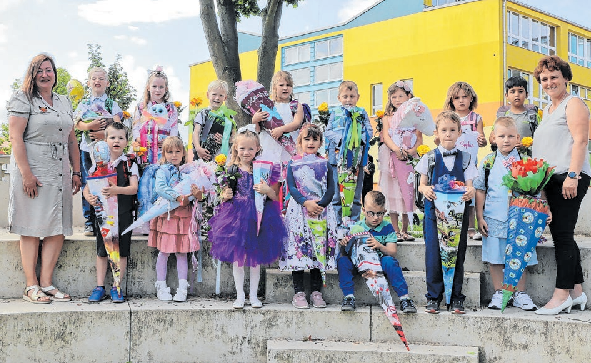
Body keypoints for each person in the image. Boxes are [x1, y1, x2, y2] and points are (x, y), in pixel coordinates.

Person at [7, 53, 81, 303]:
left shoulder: (63, 102)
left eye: (49, 70)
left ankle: (47, 283)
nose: (45, 74)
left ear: (55, 74)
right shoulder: (23, 98)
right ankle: (31, 286)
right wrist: (26, 174)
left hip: (59, 170)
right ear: (32, 73)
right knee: (31, 226)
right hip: (34, 169)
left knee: (57, 226)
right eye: (40, 70)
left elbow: (72, 139)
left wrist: (77, 171)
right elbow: (16, 137)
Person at [532, 55, 591, 315]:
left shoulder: (574, 103)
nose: (549, 82)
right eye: (544, 79)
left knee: (563, 236)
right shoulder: (548, 110)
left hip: (569, 177)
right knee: (561, 233)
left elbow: (580, 141)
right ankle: (577, 293)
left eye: (554, 76)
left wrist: (572, 176)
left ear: (565, 78)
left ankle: (561, 295)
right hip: (552, 180)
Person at [208, 130, 287, 309]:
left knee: (255, 259)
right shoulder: (230, 170)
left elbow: (275, 197)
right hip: (236, 217)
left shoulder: (264, 170)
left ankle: (253, 295)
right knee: (239, 258)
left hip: (259, 216)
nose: (246, 152)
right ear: (236, 148)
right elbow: (222, 194)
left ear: (257, 149)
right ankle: (240, 295)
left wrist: (267, 190)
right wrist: (224, 194)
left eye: (251, 148)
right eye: (242, 148)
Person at [475, 117, 541, 311]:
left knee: (520, 256)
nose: (506, 140)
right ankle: (500, 292)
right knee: (495, 257)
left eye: (511, 136)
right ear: (493, 138)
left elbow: (536, 190)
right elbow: (480, 189)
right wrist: (480, 217)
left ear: (518, 138)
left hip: (521, 218)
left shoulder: (526, 161)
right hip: (494, 217)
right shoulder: (488, 162)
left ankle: (520, 294)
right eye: (501, 136)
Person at [417, 111, 477, 314]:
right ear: (436, 133)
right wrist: (425, 189)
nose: (448, 134)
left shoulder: (467, 158)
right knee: (434, 254)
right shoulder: (430, 158)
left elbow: (471, 186)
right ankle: (433, 297)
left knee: (457, 254)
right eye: (444, 130)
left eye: (453, 130)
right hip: (435, 214)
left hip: (458, 216)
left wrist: (470, 192)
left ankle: (456, 297)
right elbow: (421, 185)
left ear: (459, 132)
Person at [280, 124, 337, 309]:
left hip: (320, 213)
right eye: (307, 139)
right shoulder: (293, 163)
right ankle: (298, 293)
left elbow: (330, 188)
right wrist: (306, 202)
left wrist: (320, 205)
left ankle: (316, 291)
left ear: (320, 142)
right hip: (299, 213)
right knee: (299, 250)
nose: (311, 142)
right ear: (300, 141)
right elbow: (292, 187)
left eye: (315, 139)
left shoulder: (325, 163)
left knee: (317, 250)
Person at [83, 122, 138, 303]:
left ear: (126, 141)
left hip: (123, 215)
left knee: (121, 252)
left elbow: (133, 188)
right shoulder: (98, 164)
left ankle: (117, 286)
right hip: (103, 217)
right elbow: (87, 187)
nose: (116, 141)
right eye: (112, 137)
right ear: (105, 140)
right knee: (102, 251)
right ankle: (100, 286)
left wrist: (116, 191)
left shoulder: (129, 163)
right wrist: (89, 197)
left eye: (121, 138)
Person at [337, 191, 417, 313]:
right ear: (364, 210)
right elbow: (349, 249)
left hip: (378, 263)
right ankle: (348, 297)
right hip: (360, 264)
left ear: (385, 212)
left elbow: (392, 251)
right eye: (371, 213)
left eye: (379, 213)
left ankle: (404, 298)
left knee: (390, 261)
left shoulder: (387, 228)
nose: (375, 217)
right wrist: (345, 243)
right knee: (342, 260)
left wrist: (380, 246)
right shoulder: (357, 227)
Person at [149, 136, 203, 302]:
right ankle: (161, 284)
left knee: (182, 252)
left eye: (177, 151)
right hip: (168, 215)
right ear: (164, 154)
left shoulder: (189, 171)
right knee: (164, 251)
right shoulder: (162, 171)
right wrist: (178, 196)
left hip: (184, 216)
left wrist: (195, 195)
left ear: (183, 153)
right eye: (169, 152)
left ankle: (182, 285)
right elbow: (161, 188)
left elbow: (197, 192)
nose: (174, 155)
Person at [74, 67, 123, 236]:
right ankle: (89, 221)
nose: (97, 81)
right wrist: (89, 126)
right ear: (89, 82)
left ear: (107, 83)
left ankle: (105, 219)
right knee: (87, 182)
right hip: (87, 150)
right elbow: (77, 124)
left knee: (105, 183)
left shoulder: (112, 104)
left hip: (106, 151)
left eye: (101, 78)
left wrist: (104, 134)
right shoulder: (84, 103)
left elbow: (118, 124)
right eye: (94, 78)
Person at [441, 82, 487, 241]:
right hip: (450, 164)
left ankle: (471, 228)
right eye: (457, 97)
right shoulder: (447, 117)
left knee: (470, 194)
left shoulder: (476, 118)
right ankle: (452, 227)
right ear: (451, 100)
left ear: (471, 98)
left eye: (465, 97)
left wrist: (482, 140)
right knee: (452, 194)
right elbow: (438, 138)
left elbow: (481, 139)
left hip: (469, 165)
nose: (461, 100)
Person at [325, 81, 373, 226]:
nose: (348, 99)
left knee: (356, 194)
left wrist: (358, 141)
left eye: (352, 96)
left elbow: (369, 131)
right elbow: (327, 132)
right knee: (336, 196)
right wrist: (342, 140)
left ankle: (354, 224)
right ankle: (336, 224)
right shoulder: (334, 113)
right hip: (336, 160)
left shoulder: (362, 112)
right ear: (339, 97)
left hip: (355, 161)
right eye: (345, 96)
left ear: (357, 97)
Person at [379, 80, 422, 241]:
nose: (397, 99)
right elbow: (387, 137)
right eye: (393, 96)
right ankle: (395, 230)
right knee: (393, 193)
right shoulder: (387, 118)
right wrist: (396, 150)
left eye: (400, 96)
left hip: (409, 159)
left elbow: (419, 138)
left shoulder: (414, 117)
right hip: (392, 157)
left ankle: (405, 229)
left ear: (409, 97)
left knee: (407, 194)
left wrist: (412, 151)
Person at [132, 66, 179, 165]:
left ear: (166, 89)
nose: (158, 90)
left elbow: (174, 128)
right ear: (148, 88)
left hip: (163, 147)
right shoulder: (141, 107)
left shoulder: (171, 108)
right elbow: (135, 127)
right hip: (145, 146)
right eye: (154, 86)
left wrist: (169, 141)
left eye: (161, 87)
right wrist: (140, 139)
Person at [489, 76, 540, 150]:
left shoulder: (533, 115)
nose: (516, 95)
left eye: (520, 91)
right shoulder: (502, 116)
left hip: (527, 159)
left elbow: (542, 138)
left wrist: (525, 144)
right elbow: (492, 138)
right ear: (506, 95)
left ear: (527, 94)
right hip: (506, 160)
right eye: (512, 91)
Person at [192, 79, 235, 161]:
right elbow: (196, 132)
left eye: (221, 95)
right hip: (203, 153)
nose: (217, 98)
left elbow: (234, 136)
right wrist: (198, 148)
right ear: (208, 95)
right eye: (214, 94)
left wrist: (225, 140)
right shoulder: (203, 114)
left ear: (225, 97)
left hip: (221, 157)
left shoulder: (229, 117)